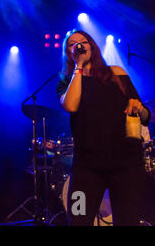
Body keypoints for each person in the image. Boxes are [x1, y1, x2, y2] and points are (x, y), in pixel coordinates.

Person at [57, 30, 151, 226]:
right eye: (73, 44)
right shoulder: (66, 82)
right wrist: (79, 66)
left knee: (128, 222)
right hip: (86, 167)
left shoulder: (117, 73)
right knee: (77, 219)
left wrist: (139, 108)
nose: (79, 46)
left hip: (126, 165)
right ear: (68, 52)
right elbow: (71, 106)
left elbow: (146, 116)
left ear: (92, 46)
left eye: (83, 42)